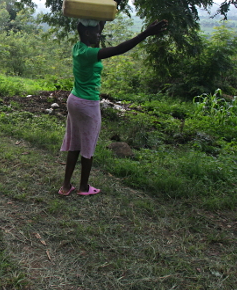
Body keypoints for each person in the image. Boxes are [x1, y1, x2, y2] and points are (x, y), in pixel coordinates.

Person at [58, 17, 168, 196]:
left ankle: (65, 186)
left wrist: (100, 14)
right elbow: (118, 49)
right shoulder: (89, 54)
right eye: (96, 32)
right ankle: (84, 187)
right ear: (87, 33)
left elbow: (96, 29)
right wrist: (146, 33)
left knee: (75, 144)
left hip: (74, 100)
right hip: (87, 104)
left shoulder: (78, 48)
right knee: (88, 146)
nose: (99, 33)